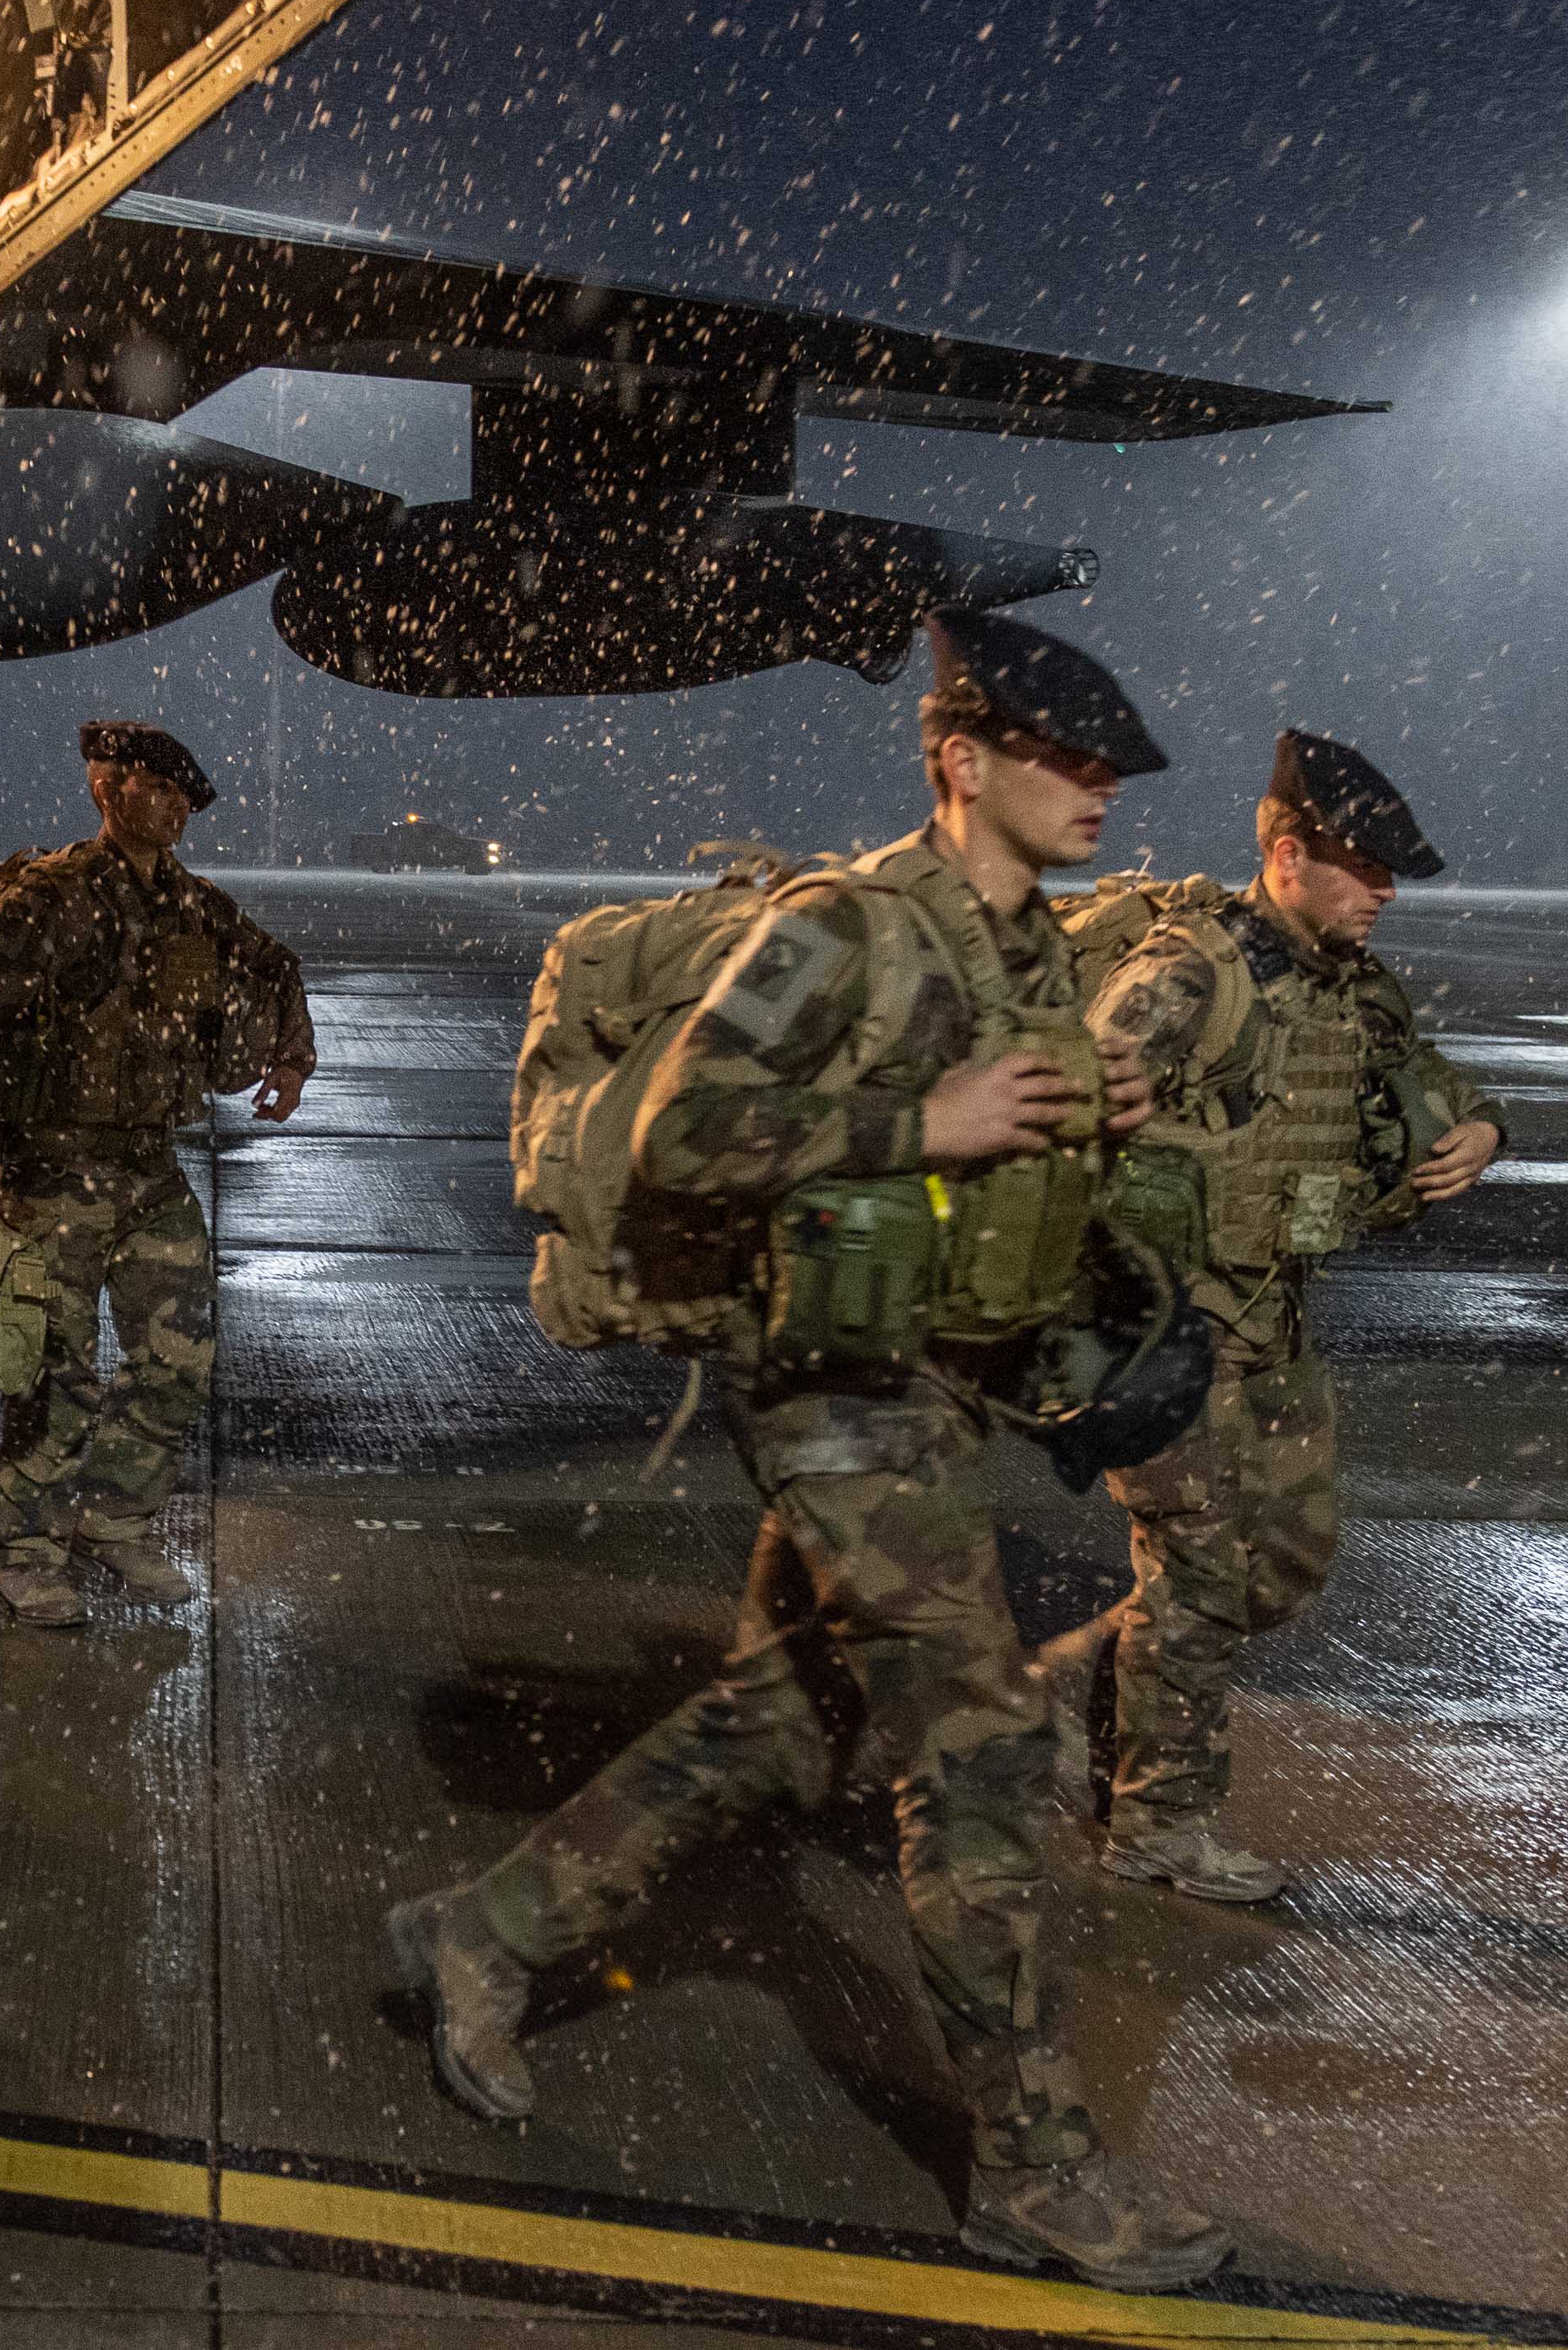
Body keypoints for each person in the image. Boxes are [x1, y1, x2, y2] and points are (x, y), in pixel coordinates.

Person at [386, 608, 1235, 2293]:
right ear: (957, 762)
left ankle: (484, 1926)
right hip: (832, 1388)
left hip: (936, 1384)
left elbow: (996, 1136)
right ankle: (1032, 2166)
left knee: (796, 1713)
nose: (1100, 789)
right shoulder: (840, 924)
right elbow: (668, 1132)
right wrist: (916, 1124)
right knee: (982, 1748)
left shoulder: (1030, 950)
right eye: (1064, 760)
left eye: (1110, 767)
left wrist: (1083, 1115)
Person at [1071, 730, 1506, 1901]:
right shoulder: (1184, 975)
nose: (1381, 891)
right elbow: (1052, 1113)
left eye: (1386, 872)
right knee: (1204, 1572)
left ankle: (1080, 1698)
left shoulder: (1348, 986)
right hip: (1160, 1333)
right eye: (1360, 866)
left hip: (1272, 1322)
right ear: (1281, 852)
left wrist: (1480, 1129)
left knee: (1282, 1565)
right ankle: (1156, 1826)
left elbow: (1423, 1075)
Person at [0, 722, 311, 1627]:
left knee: (178, 1359)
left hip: (149, 1167)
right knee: (51, 1373)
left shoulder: (197, 905)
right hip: (54, 1170)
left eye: (187, 797)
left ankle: (114, 1520)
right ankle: (27, 1549)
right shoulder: (47, 897)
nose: (178, 808)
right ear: (107, 789)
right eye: (160, 789)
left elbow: (276, 965)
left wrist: (292, 1058)